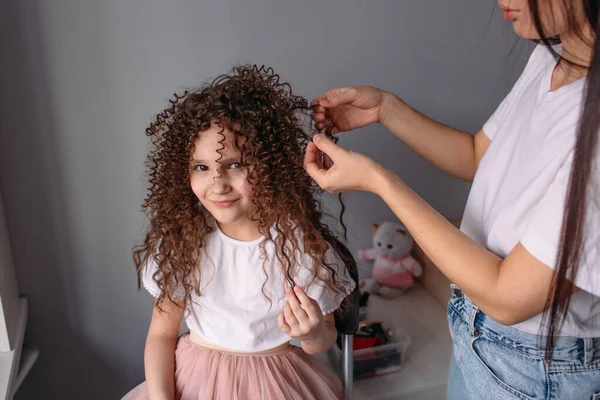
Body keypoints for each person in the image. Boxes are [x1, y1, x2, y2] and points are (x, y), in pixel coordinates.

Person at [304, 1, 600, 398]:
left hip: (539, 368)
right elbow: (477, 155)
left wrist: (379, 180)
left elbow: (508, 297)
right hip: (477, 331)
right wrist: (385, 109)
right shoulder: (554, 58)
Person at [122, 65, 355, 400]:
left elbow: (321, 342)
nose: (217, 184)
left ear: (269, 164)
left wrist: (314, 330)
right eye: (201, 167)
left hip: (278, 383)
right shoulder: (184, 242)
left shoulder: (302, 247)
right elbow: (161, 336)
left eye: (235, 164)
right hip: (194, 380)